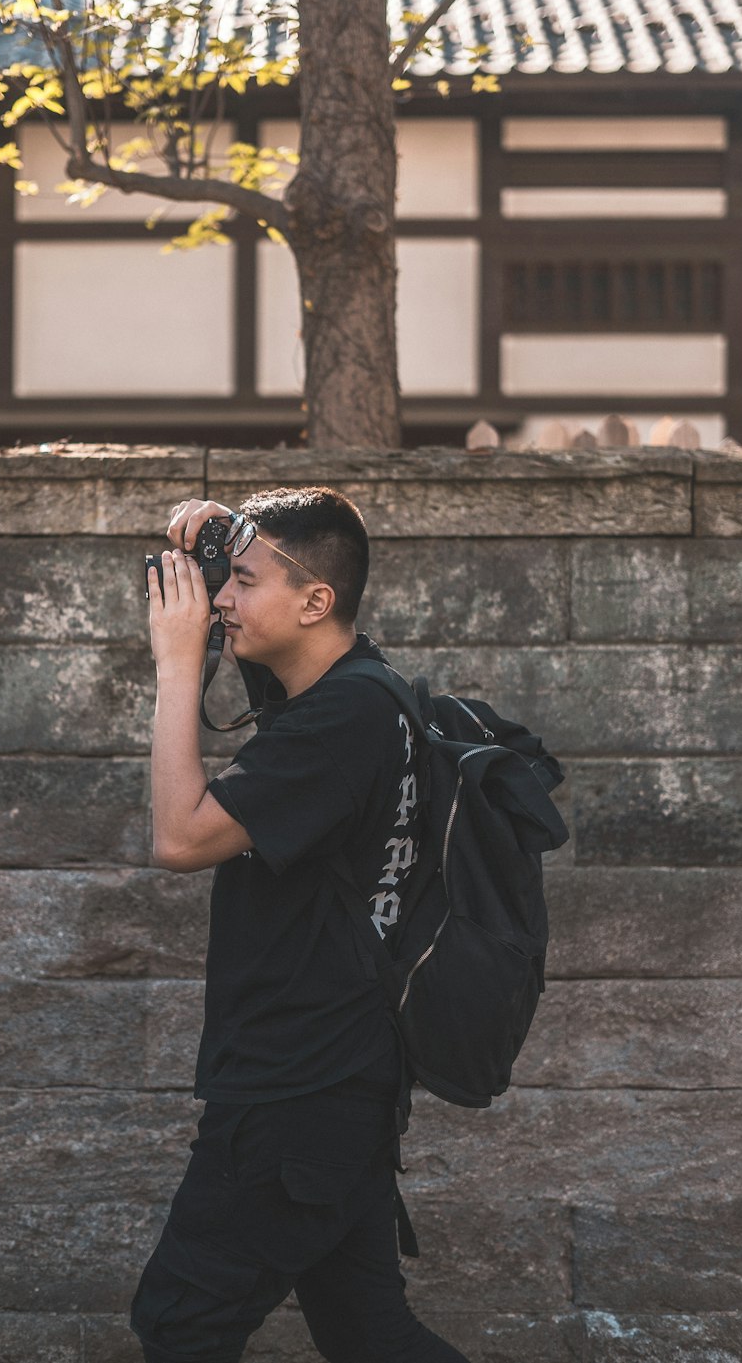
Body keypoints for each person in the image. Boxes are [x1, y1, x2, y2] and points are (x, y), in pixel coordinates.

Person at [131, 486, 470, 1363]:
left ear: (317, 601)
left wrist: (175, 662)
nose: (221, 601)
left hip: (296, 1086)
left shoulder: (343, 719)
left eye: (240, 582)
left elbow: (181, 835)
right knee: (371, 1334)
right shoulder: (366, 690)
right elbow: (285, 689)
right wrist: (224, 536)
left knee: (182, 1321)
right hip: (341, 1077)